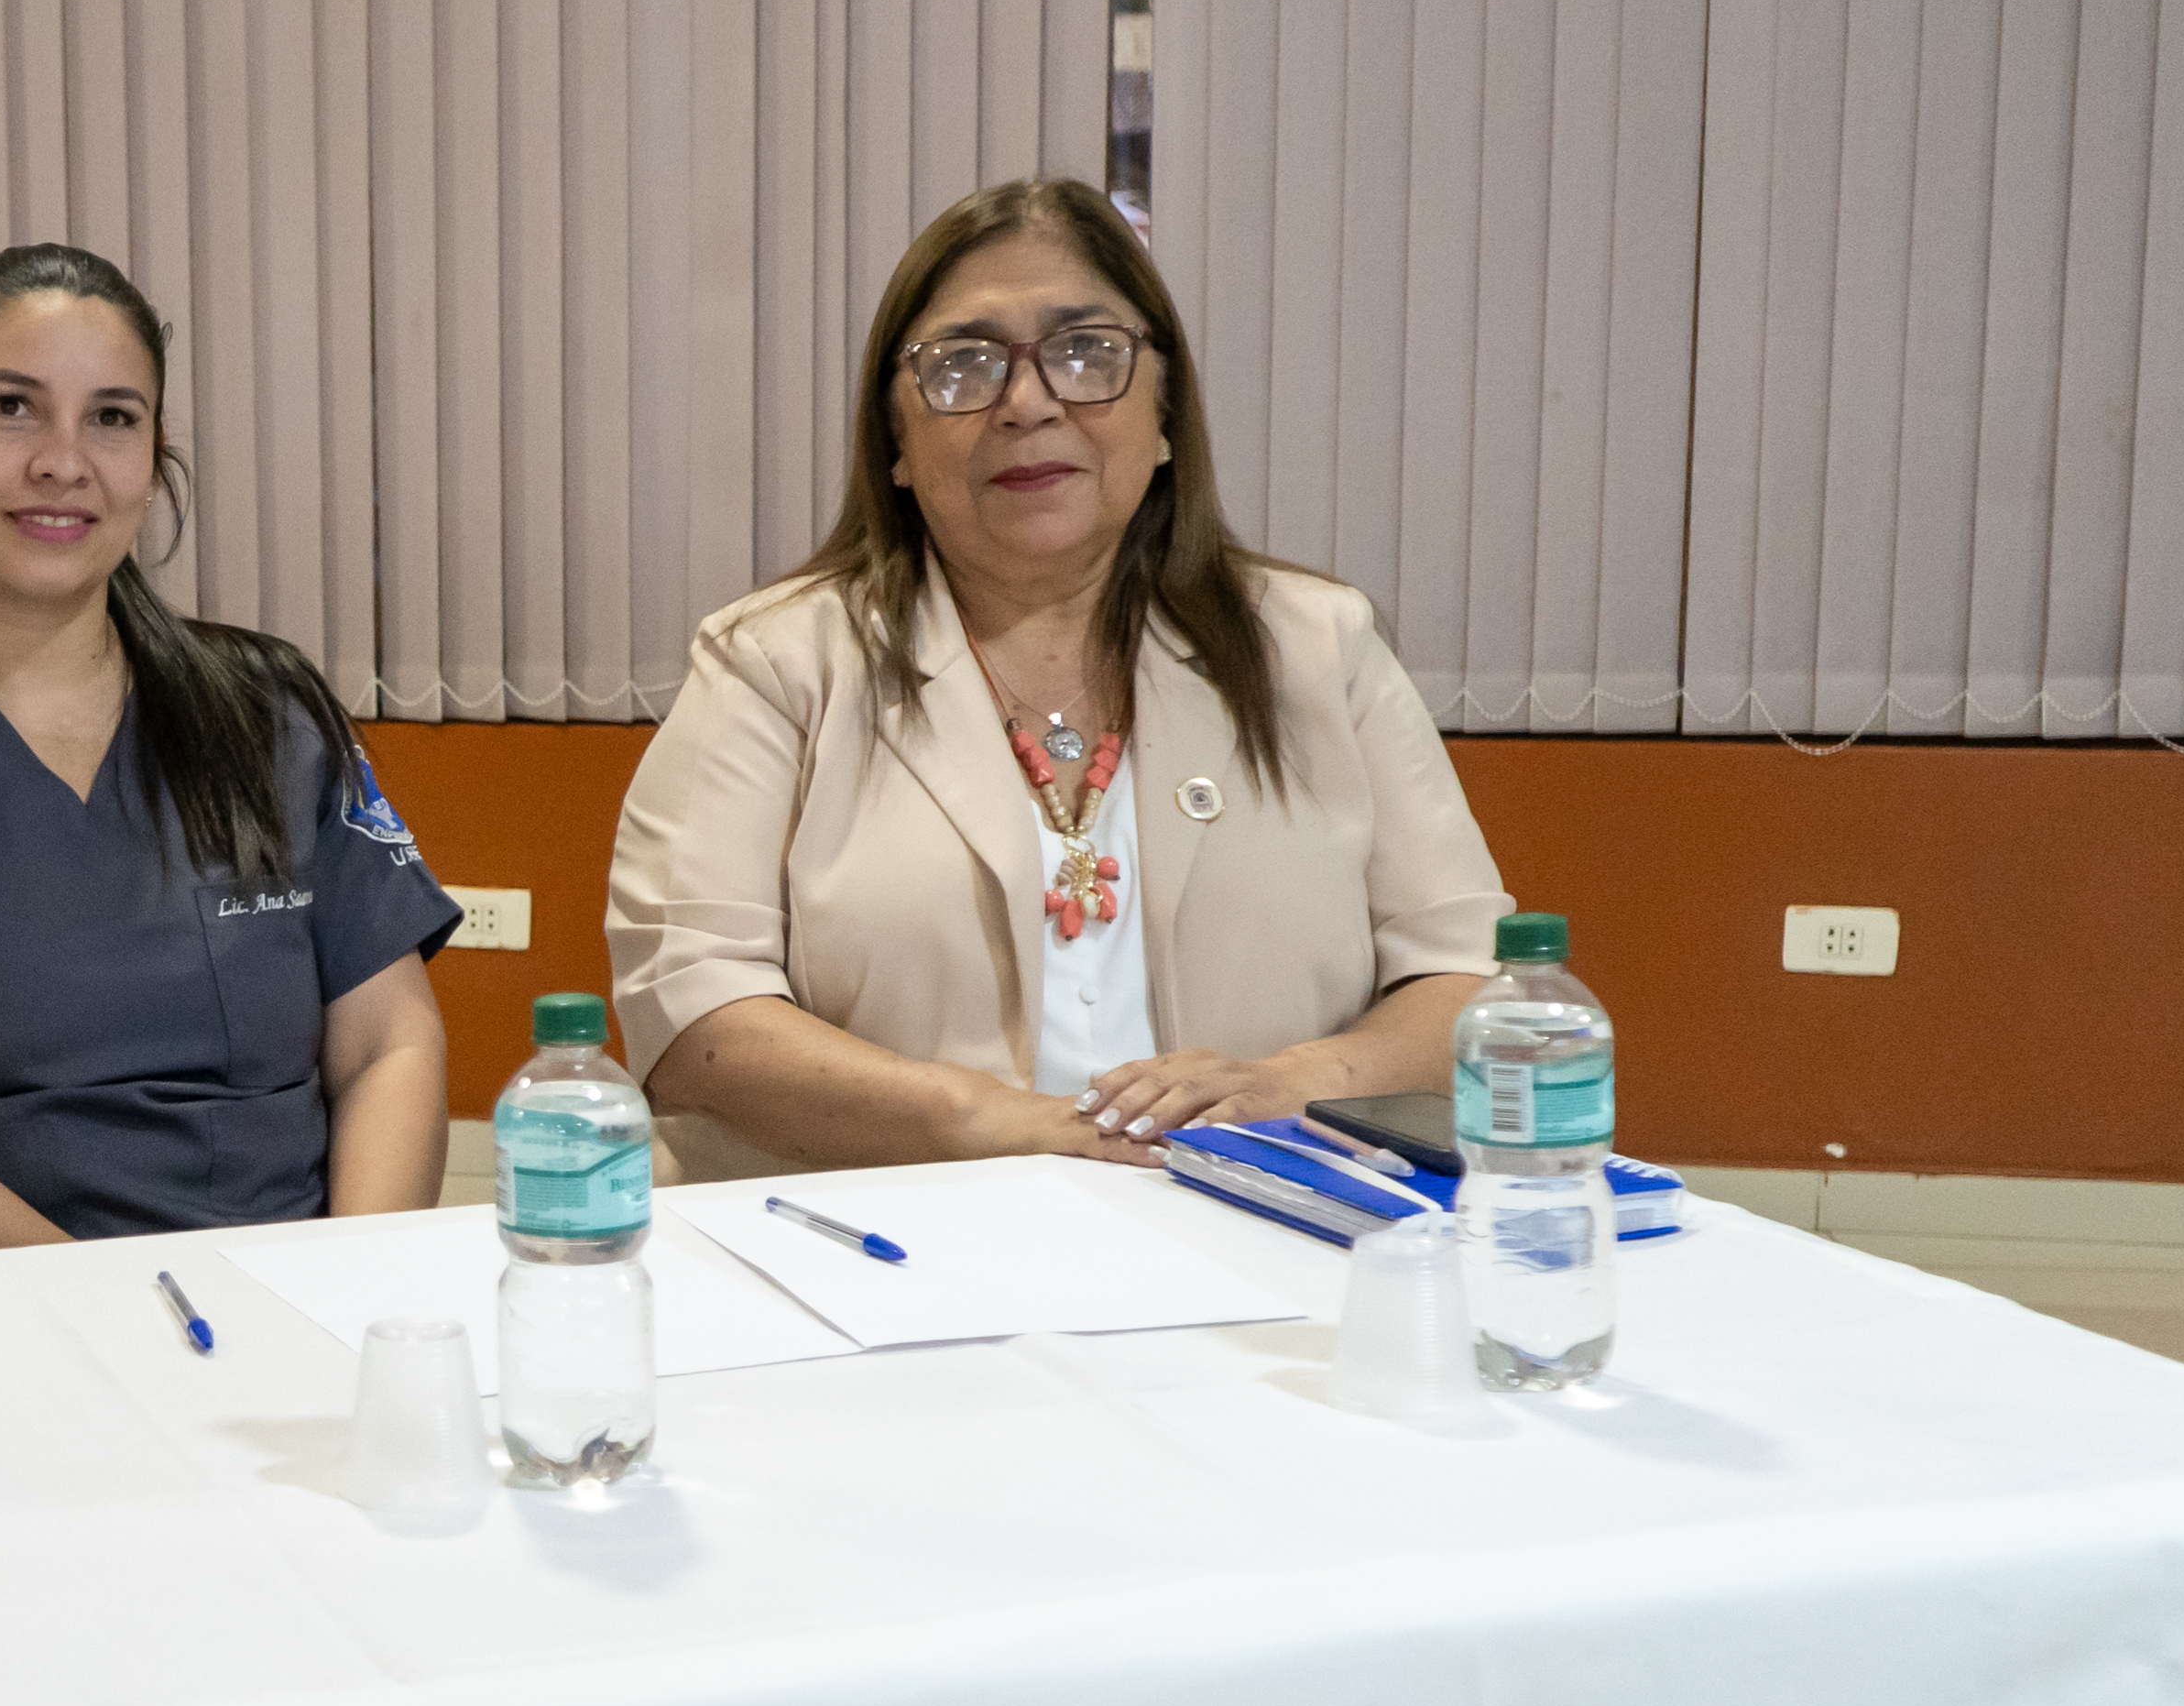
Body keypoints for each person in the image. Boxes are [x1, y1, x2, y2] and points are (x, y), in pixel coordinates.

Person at [606, 177, 1508, 1179]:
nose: (1028, 403)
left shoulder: (1315, 648)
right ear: (895, 443)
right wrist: (983, 1120)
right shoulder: (773, 663)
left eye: (1086, 352)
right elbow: (687, 1010)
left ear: (1165, 415)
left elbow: (1470, 978)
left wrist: (1290, 1082)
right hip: (887, 1247)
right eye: (964, 364)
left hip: (1259, 1230)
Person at [0, 243, 456, 1252]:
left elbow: (390, 1045)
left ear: (151, 466)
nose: (62, 461)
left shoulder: (267, 711)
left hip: (289, 1296)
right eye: (11, 407)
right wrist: (122, 1319)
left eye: (112, 418)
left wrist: (353, 1286)